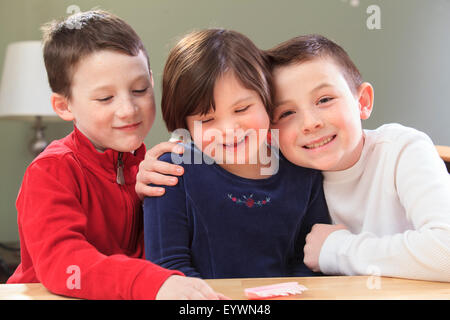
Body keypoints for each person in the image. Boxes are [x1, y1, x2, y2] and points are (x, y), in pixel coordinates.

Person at [137, 34, 450, 282]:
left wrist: (336, 249)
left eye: (324, 99)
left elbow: (446, 252)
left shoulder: (397, 151)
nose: (309, 123)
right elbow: (168, 270)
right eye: (287, 112)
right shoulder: (175, 171)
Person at [7, 10, 225, 300]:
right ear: (64, 106)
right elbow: (64, 265)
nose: (128, 109)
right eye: (105, 98)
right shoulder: (51, 171)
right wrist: (151, 283)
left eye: (139, 89)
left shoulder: (156, 167)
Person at [143, 29, 330, 279]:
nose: (229, 130)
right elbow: (168, 269)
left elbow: (309, 261)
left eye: (242, 109)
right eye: (207, 119)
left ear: (267, 100)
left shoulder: (301, 166)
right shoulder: (170, 172)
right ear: (185, 125)